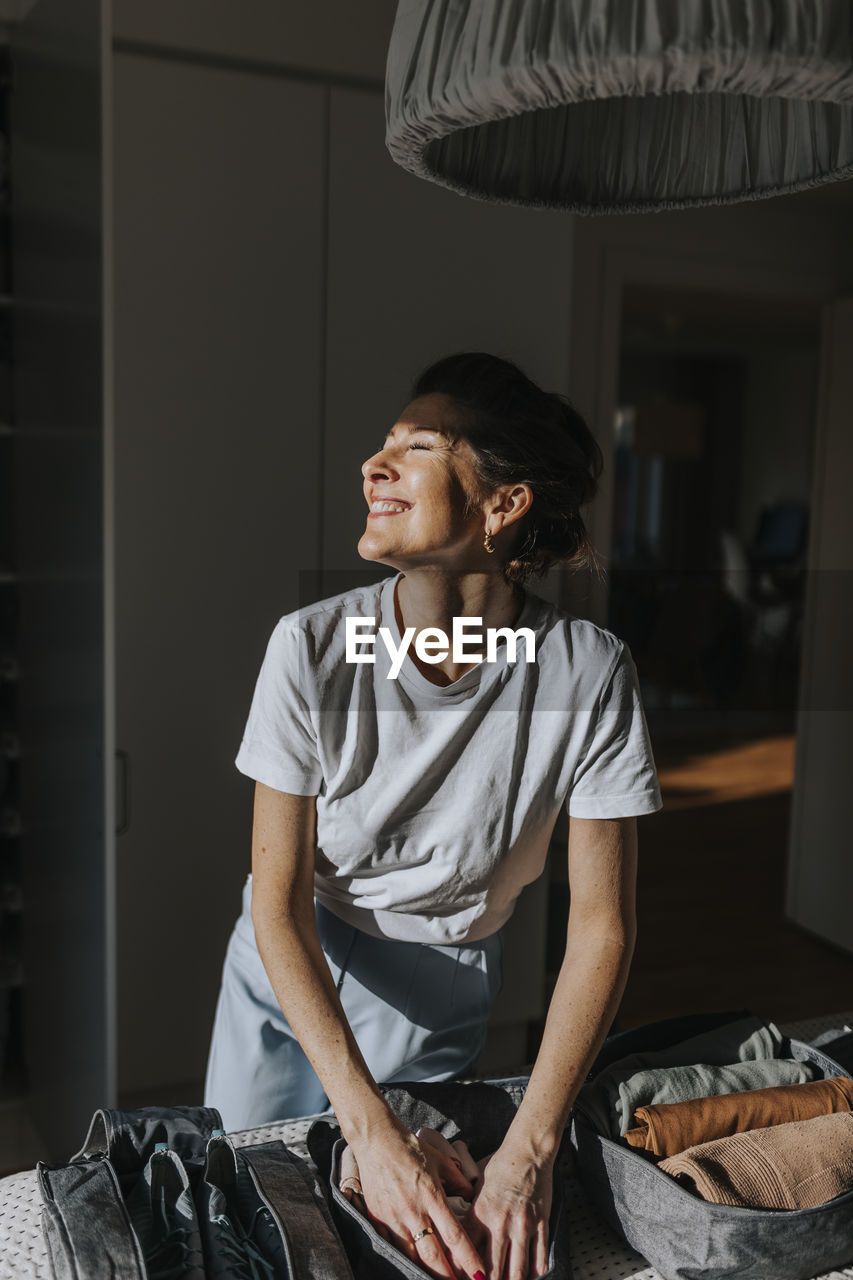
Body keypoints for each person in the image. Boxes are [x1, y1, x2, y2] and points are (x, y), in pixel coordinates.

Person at [204, 352, 662, 1280]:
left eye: (416, 448)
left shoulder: (587, 672)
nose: (375, 466)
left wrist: (530, 1153)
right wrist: (367, 1131)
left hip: (438, 978)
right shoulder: (312, 647)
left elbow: (602, 928)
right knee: (250, 1217)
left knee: (411, 1241)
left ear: (502, 507)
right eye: (381, 445)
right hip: (288, 960)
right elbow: (280, 897)